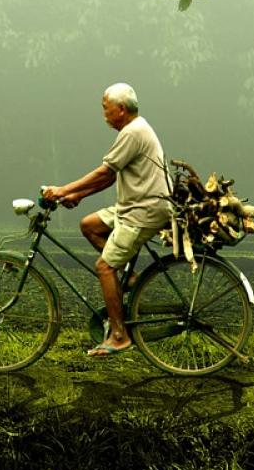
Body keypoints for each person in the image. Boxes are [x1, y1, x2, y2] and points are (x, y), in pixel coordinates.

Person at [41, 83, 173, 357]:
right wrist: (78, 195)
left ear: (121, 110)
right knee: (89, 225)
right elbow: (112, 176)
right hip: (132, 206)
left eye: (106, 108)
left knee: (103, 267)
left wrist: (64, 190)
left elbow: (104, 172)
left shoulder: (133, 133)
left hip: (143, 211)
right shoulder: (134, 129)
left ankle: (118, 335)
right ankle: (130, 278)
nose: (103, 114)